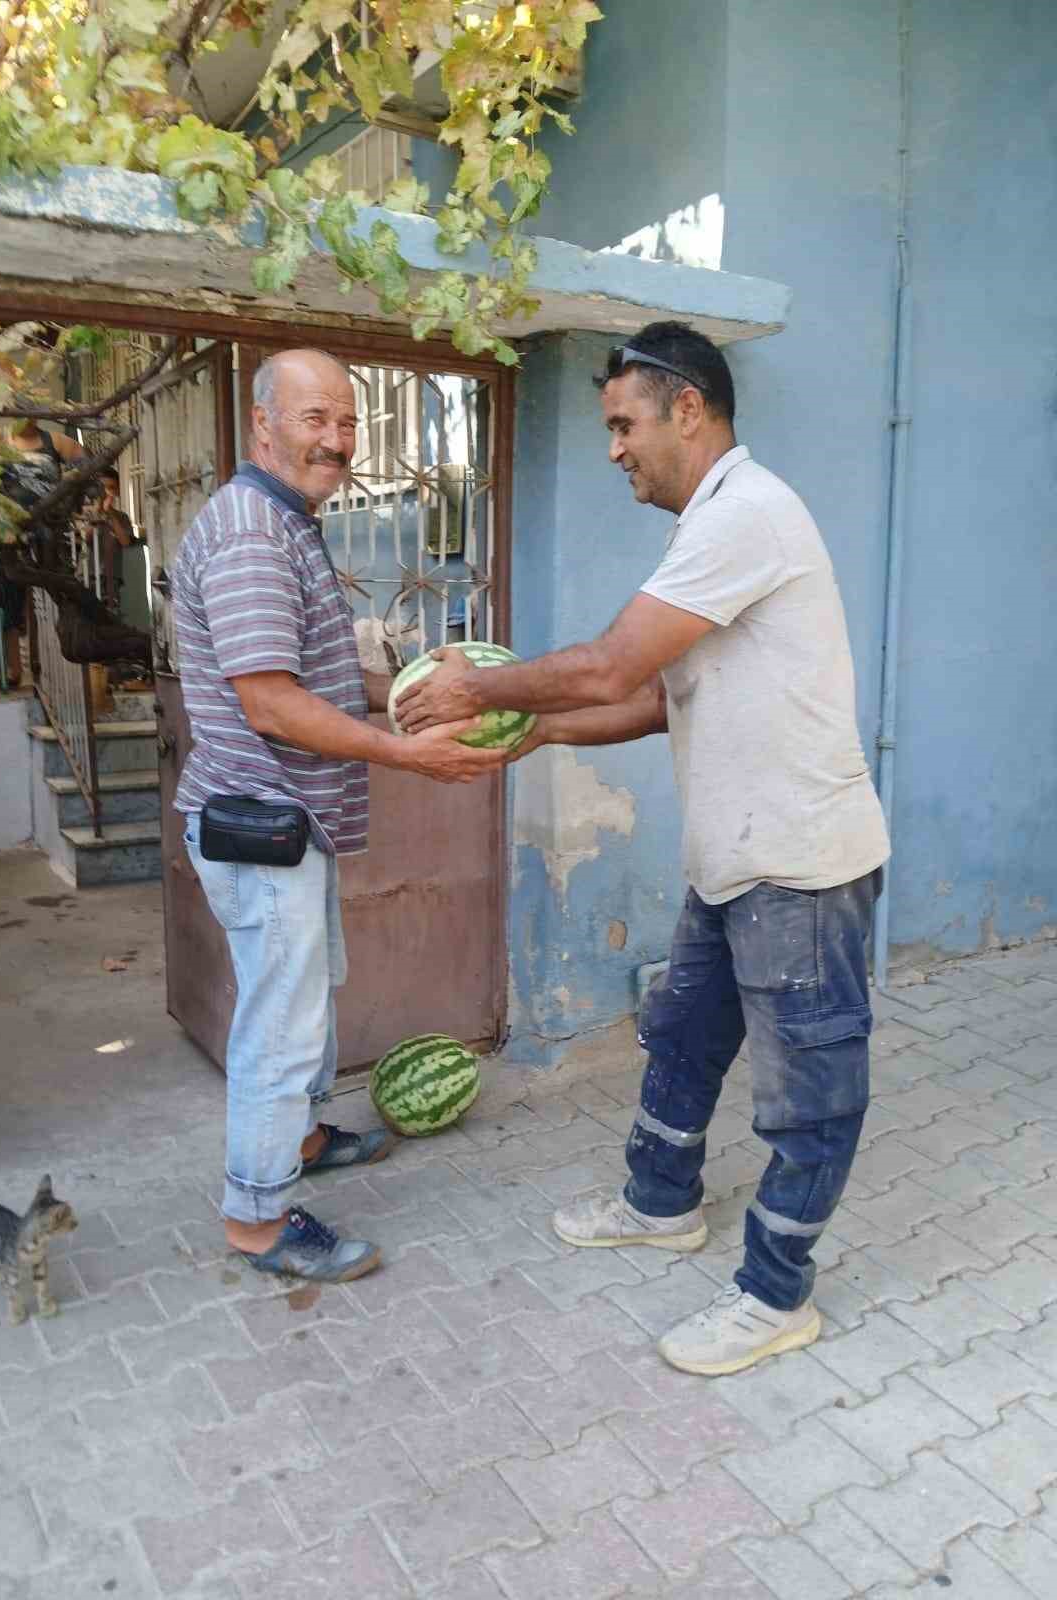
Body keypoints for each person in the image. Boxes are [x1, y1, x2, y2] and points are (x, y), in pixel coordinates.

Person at [396, 321, 891, 1376]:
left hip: (799, 863)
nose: (614, 447)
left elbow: (613, 663)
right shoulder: (714, 526)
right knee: (682, 1035)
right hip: (740, 855)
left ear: (689, 409)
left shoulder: (748, 514)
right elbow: (663, 696)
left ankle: (775, 1293)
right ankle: (662, 1202)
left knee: (809, 1090)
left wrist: (478, 689)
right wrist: (537, 730)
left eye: (624, 423)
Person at [172, 347, 506, 1284]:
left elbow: (312, 675)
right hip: (260, 824)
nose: (336, 440)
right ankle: (258, 1222)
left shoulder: (289, 519)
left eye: (349, 422)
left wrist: (404, 692)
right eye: (315, 418)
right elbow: (271, 702)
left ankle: (305, 1138)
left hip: (291, 824)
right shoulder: (250, 531)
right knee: (277, 1029)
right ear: (263, 425)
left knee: (307, 1003)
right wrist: (406, 752)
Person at [0, 418, 84, 687]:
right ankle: (15, 670)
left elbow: (88, 473)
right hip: (7, 532)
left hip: (51, 532)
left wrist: (74, 506)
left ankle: (53, 667)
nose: (27, 417)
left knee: (55, 598)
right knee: (10, 602)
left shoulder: (57, 441)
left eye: (32, 411)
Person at [81, 467, 136, 613]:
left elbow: (125, 542)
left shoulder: (122, 518)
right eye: (102, 488)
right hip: (89, 576)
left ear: (117, 491)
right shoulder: (86, 514)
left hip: (111, 581)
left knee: (110, 617)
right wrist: (96, 514)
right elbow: (86, 538)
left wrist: (110, 515)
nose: (106, 492)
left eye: (111, 488)